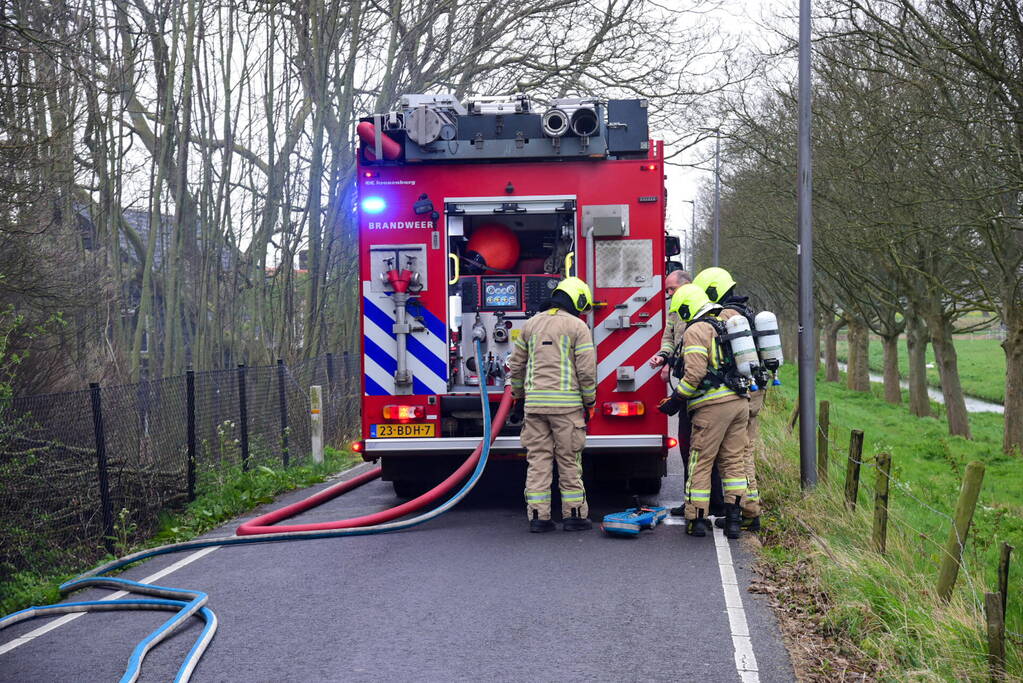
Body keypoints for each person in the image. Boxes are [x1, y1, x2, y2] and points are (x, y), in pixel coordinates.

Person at [657, 283, 749, 539]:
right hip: (739, 402)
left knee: (700, 462)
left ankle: (697, 520)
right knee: (733, 463)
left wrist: (676, 399)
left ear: (688, 307)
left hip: (712, 406)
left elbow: (695, 373)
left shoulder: (697, 329)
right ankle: (733, 521)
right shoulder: (725, 322)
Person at [508, 277, 598, 533]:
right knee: (569, 460)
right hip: (567, 408)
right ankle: (575, 516)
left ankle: (538, 517)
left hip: (534, 407)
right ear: (577, 300)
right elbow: (586, 371)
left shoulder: (530, 325)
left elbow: (516, 366)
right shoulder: (578, 327)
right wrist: (589, 401)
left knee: (538, 461)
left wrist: (518, 395)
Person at [693, 267, 764, 532]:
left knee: (739, 455)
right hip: (754, 388)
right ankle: (747, 510)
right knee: (744, 452)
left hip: (742, 391)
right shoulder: (747, 312)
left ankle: (748, 512)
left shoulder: (726, 317)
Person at [647, 269, 692, 516]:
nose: (668, 294)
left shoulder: (698, 310)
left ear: (687, 285)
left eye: (671, 289)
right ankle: (694, 502)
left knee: (697, 448)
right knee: (686, 446)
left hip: (697, 387)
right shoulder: (675, 312)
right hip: (686, 382)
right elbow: (669, 339)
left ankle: (704, 503)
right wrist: (663, 356)